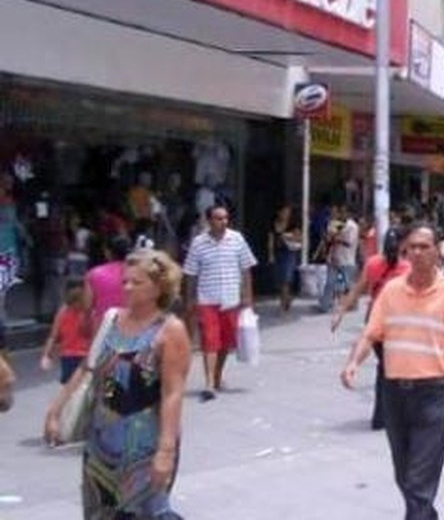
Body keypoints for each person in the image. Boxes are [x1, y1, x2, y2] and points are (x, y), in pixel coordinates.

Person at [340, 225, 444, 520]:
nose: (416, 253)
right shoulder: (392, 291)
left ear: (437, 251)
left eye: (423, 247)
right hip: (395, 393)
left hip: (433, 393)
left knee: (418, 482)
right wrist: (354, 362)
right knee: (404, 474)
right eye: (411, 247)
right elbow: (371, 333)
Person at [44, 249, 190, 517]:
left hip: (144, 443)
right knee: (100, 511)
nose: (128, 287)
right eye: (125, 281)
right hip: (100, 439)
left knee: (143, 512)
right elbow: (88, 368)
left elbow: (172, 394)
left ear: (158, 287)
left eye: (137, 282)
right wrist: (56, 410)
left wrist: (165, 451)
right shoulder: (112, 318)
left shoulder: (170, 330)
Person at [332, 229, 412, 430]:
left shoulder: (374, 264)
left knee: (385, 368)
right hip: (394, 324)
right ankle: (389, 415)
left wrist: (341, 311)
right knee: (392, 369)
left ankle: (382, 416)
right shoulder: (406, 268)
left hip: (376, 320)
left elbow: (357, 289)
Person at [183, 206, 257, 402]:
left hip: (231, 299)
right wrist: (189, 299)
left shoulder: (237, 239)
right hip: (207, 299)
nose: (223, 222)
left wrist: (247, 297)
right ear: (209, 221)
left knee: (225, 342)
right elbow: (190, 273)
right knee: (210, 341)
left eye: (225, 218)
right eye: (218, 219)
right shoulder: (198, 243)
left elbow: (246, 269)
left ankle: (217, 375)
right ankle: (208, 383)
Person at [40, 284, 93, 384]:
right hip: (70, 354)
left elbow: (90, 333)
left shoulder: (87, 313)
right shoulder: (64, 312)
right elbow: (53, 336)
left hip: (83, 354)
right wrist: (46, 355)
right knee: (71, 385)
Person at [319, 204, 359, 314]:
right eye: (340, 212)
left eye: (344, 212)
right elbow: (328, 239)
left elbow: (349, 242)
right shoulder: (333, 224)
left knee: (348, 283)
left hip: (347, 259)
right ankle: (325, 305)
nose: (341, 214)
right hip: (333, 258)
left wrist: (336, 237)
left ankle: (352, 303)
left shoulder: (352, 226)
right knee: (330, 282)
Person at [85, 235, 132, 325]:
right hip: (130, 325)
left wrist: (86, 322)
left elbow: (87, 306)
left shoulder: (94, 273)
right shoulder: (137, 273)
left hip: (101, 326)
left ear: (108, 252)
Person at [268, 204, 302, 315]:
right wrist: (271, 255)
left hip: (290, 253)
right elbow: (271, 240)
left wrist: (286, 236)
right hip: (279, 253)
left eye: (288, 212)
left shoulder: (293, 224)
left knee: (286, 279)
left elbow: (299, 238)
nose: (286, 214)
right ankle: (287, 298)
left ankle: (283, 304)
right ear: (279, 212)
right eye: (284, 211)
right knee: (279, 279)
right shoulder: (274, 224)